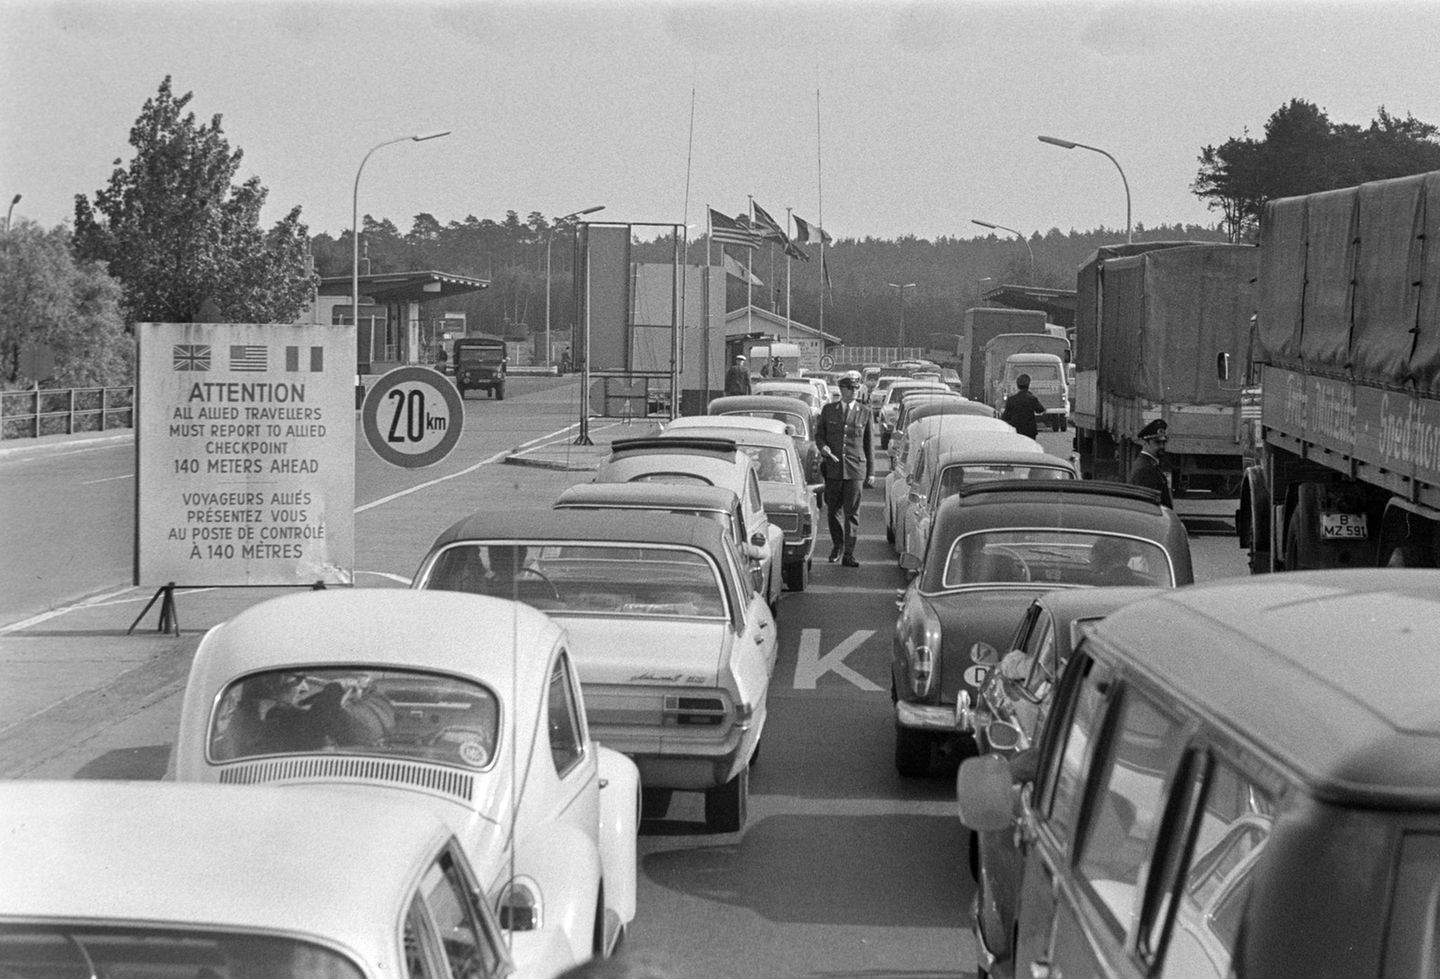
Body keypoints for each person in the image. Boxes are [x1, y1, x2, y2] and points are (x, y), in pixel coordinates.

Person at [814, 373, 874, 567]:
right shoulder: (829, 410)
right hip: (833, 468)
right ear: (842, 390)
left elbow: (869, 444)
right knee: (833, 511)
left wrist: (871, 472)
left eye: (857, 388)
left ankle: (849, 553)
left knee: (852, 513)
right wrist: (823, 447)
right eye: (851, 388)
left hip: (855, 469)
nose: (855, 391)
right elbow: (819, 435)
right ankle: (837, 545)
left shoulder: (865, 412)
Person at [1129, 419, 1174, 507]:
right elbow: (1148, 505)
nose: (1162, 446)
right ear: (1145, 443)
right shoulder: (1145, 469)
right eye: (1157, 442)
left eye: (1163, 442)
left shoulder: (1149, 464)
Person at [999, 373, 1046, 440]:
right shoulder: (1032, 399)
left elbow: (1005, 416)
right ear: (1028, 385)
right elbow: (1040, 410)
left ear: (1017, 385)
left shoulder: (1011, 400)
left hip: (1016, 430)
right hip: (1030, 431)